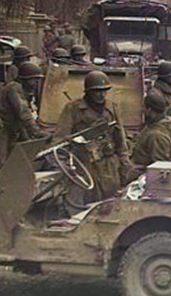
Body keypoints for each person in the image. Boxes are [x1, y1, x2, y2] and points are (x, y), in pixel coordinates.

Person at [53, 70, 134, 203]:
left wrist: (124, 162)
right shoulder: (74, 109)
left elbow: (120, 138)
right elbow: (60, 139)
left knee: (110, 204)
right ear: (88, 91)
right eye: (97, 91)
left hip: (109, 166)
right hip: (85, 165)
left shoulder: (111, 108)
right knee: (85, 203)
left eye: (104, 91)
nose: (102, 94)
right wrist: (64, 165)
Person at [0, 61, 49, 168]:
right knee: (0, 161)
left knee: (23, 152)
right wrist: (37, 131)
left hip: (13, 127)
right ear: (25, 78)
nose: (36, 82)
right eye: (34, 79)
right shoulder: (14, 88)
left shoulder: (25, 90)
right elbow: (23, 112)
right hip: (1, 127)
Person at [131, 92, 171, 167]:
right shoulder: (161, 125)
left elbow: (159, 167)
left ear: (149, 110)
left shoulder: (156, 135)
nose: (142, 110)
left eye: (144, 107)